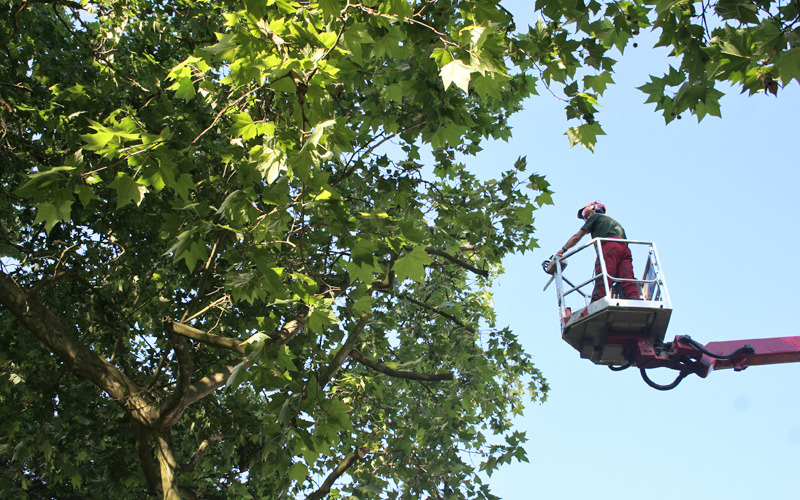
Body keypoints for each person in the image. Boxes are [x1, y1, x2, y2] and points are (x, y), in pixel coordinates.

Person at [556, 201, 639, 301]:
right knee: (627, 276)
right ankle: (633, 297)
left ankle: (598, 300)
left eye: (586, 214)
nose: (586, 218)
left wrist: (562, 250)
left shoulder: (596, 217)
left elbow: (577, 237)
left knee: (604, 273)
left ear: (594, 210)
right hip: (625, 249)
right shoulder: (614, 223)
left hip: (609, 246)